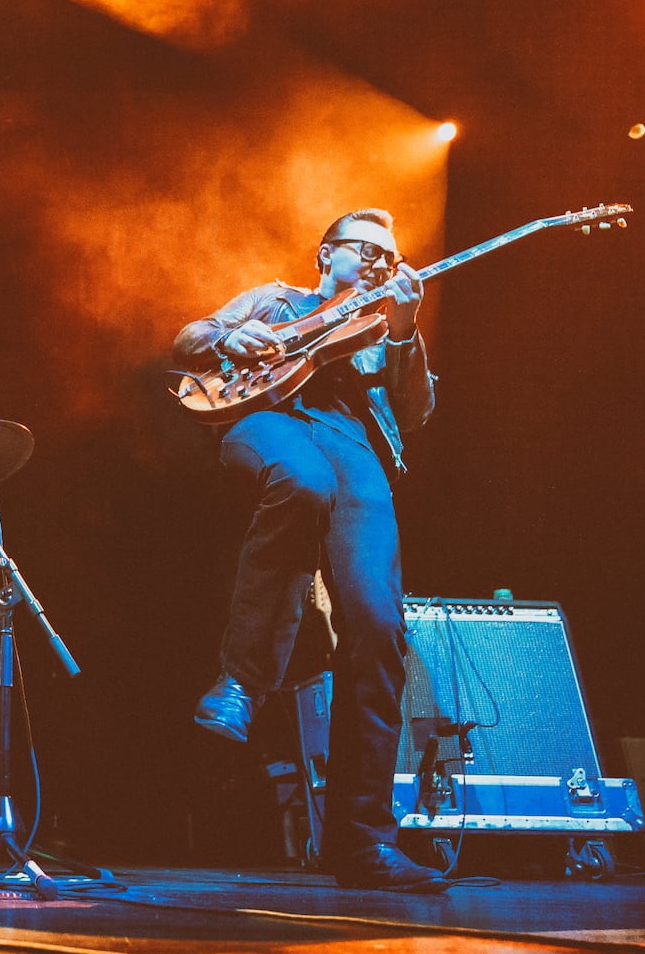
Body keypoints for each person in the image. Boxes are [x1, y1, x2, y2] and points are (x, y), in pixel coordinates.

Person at [172, 209, 446, 892]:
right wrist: (236, 336)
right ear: (327, 254)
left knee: (378, 629)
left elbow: (414, 412)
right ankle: (241, 681)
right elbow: (189, 339)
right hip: (266, 420)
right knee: (300, 479)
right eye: (368, 251)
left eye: (391, 256)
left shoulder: (384, 330)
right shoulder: (277, 298)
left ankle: (362, 843)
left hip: (355, 447)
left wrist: (408, 332)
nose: (383, 264)